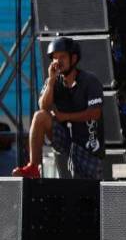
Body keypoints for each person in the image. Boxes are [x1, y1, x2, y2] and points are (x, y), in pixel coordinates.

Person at [12, 37, 103, 180]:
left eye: (62, 57)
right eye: (54, 58)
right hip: (65, 140)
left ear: (73, 59)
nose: (57, 62)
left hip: (87, 147)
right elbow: (43, 106)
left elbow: (95, 113)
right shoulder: (53, 81)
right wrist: (51, 82)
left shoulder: (90, 80)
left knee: (87, 190)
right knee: (39, 116)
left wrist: (65, 116)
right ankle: (33, 167)